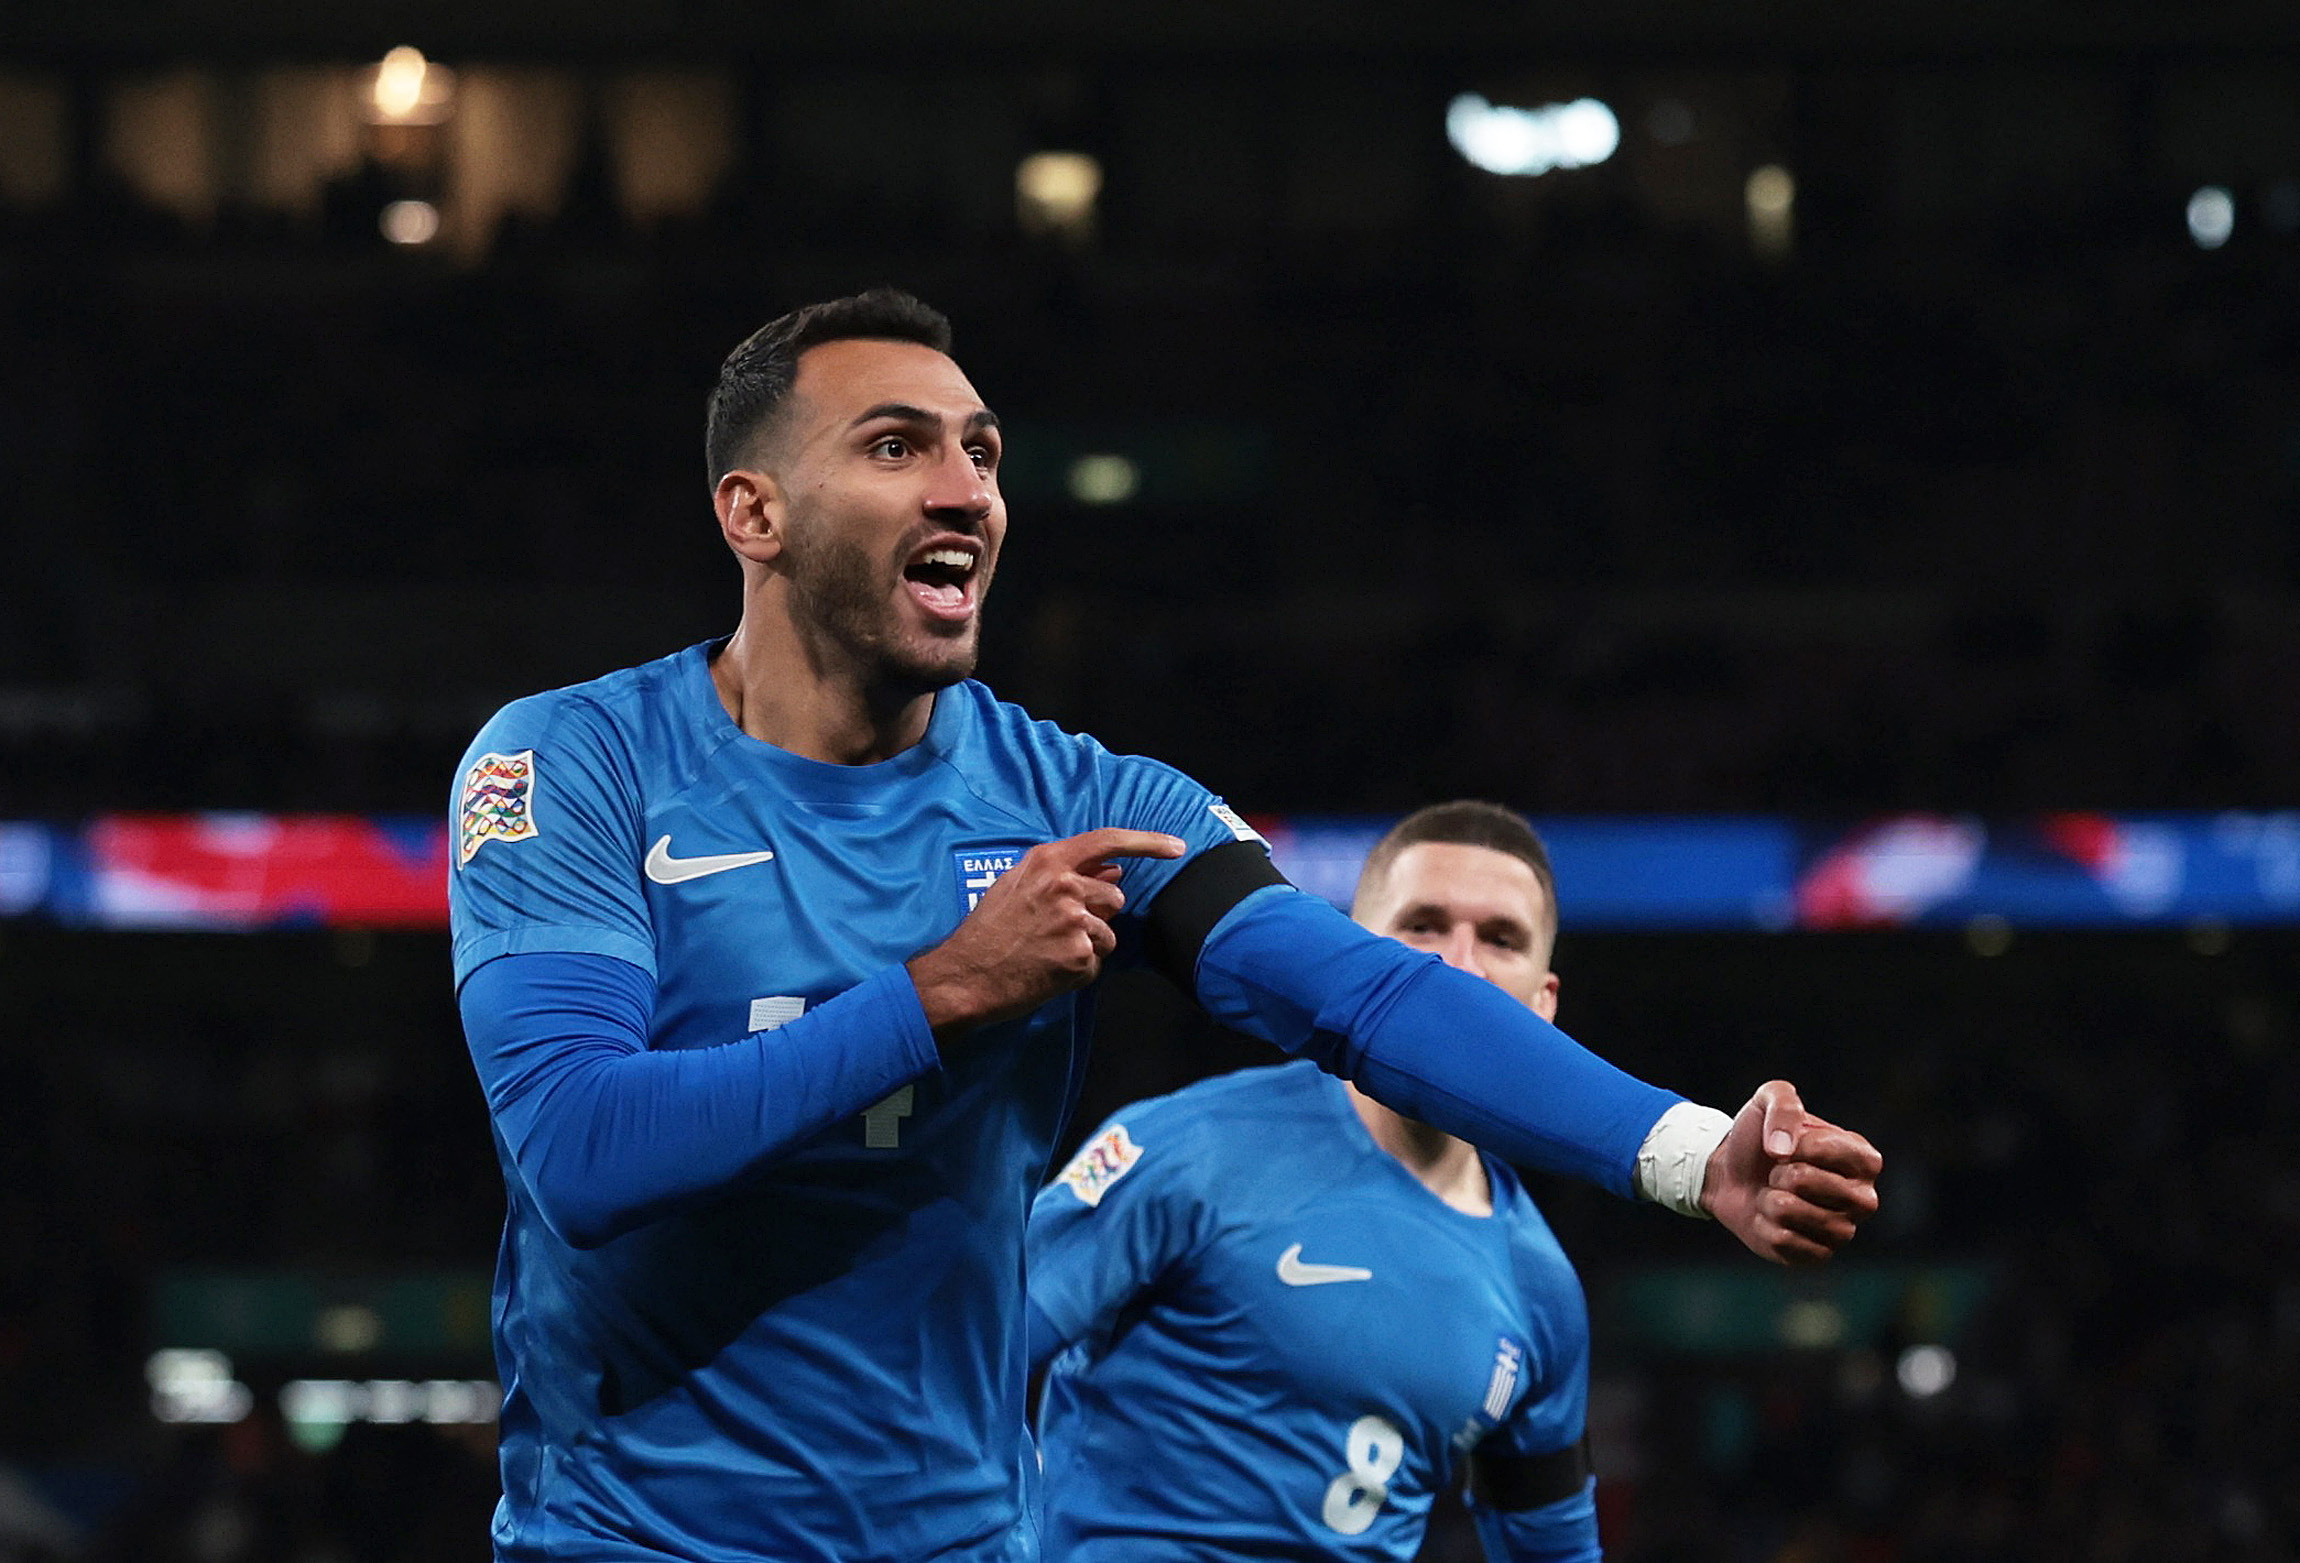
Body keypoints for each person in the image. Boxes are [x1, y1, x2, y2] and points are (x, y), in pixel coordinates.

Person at [446, 289, 1882, 1562]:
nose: (966, 491)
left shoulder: (1090, 800)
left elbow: (1367, 996)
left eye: (983, 452)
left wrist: (1688, 1151)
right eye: (897, 447)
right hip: (631, 1533)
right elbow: (578, 1144)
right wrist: (940, 990)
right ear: (752, 511)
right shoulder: (574, 762)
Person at [1030, 801, 1798, 1559]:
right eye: (1423, 925)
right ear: (1346, 955)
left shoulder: (1541, 1292)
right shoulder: (1182, 1149)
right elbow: (958, 1355)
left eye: (1500, 938)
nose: (1454, 966)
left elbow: (1553, 1548)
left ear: (1544, 1002)